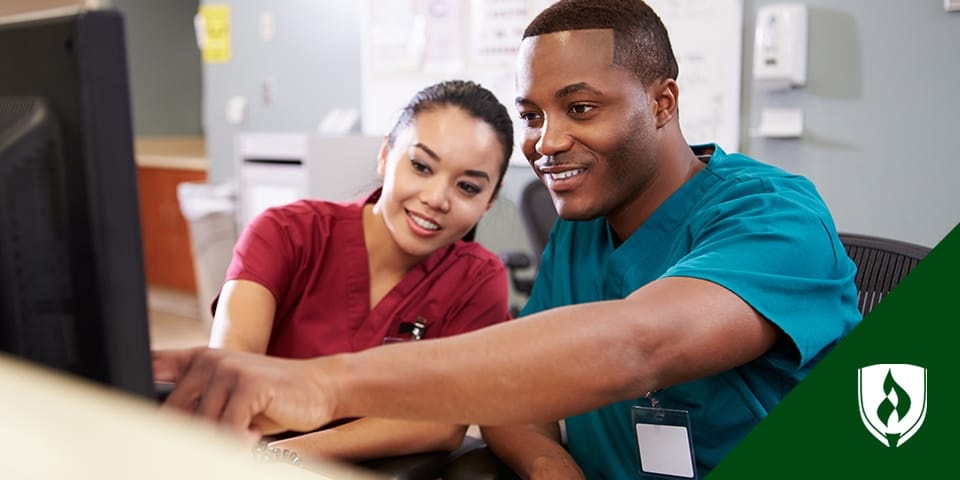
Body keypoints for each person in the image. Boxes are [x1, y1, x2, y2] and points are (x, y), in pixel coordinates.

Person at [154, 1, 861, 478]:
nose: (547, 142)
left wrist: (324, 381)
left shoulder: (776, 218)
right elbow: (519, 397)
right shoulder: (585, 231)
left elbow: (638, 344)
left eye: (579, 108)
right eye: (532, 114)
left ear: (663, 103)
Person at [204, 79, 516, 462]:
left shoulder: (477, 281)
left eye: (467, 187)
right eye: (420, 166)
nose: (436, 198)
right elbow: (231, 371)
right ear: (386, 154)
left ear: (489, 201)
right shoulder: (286, 234)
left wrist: (286, 457)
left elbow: (442, 422)